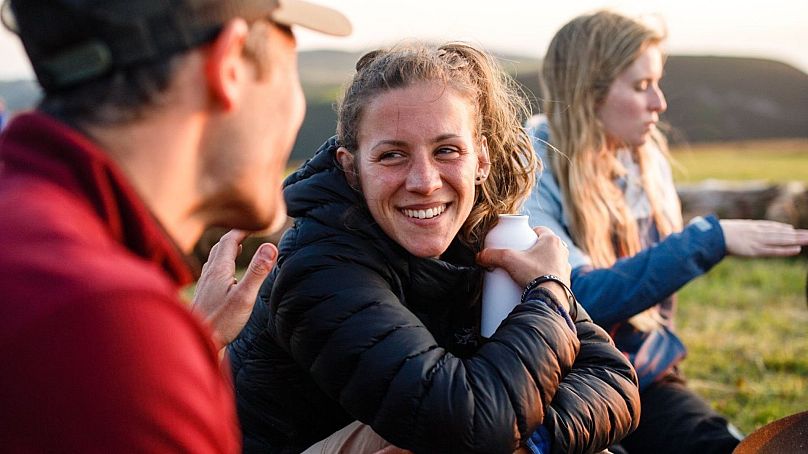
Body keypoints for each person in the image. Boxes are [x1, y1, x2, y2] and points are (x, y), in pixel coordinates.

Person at [228, 41, 641, 454]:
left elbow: (612, 377)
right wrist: (549, 295)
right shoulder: (319, 268)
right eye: (392, 155)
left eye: (446, 150)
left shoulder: (488, 237)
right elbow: (464, 425)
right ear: (352, 169)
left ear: (479, 159)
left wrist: (535, 438)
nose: (424, 182)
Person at [0, 0, 350, 451]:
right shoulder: (106, 328)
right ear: (229, 66)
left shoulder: (33, 242)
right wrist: (157, 351)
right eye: (291, 69)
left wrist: (191, 343)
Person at [521, 10, 808, 454]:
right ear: (589, 92)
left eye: (657, 83)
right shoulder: (536, 163)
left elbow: (657, 310)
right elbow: (571, 298)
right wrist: (708, 240)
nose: (660, 103)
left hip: (646, 376)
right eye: (641, 86)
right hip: (562, 384)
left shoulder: (644, 158)